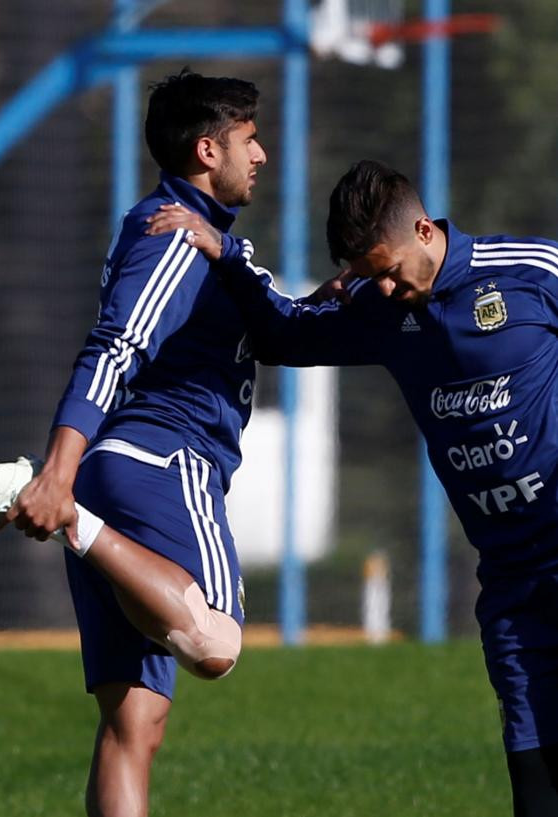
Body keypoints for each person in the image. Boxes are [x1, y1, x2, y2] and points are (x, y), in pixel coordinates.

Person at [150, 158, 558, 816]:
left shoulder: (532, 272)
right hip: (511, 580)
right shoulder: (378, 308)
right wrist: (226, 253)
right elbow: (280, 333)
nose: (387, 288)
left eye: (390, 269)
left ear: (424, 229)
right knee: (535, 774)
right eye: (370, 276)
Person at [0, 69, 266, 817]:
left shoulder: (180, 229)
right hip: (159, 461)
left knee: (133, 722)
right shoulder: (175, 239)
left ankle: (75, 514)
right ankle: (73, 520)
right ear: (206, 149)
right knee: (216, 643)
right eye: (249, 140)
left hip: (111, 471)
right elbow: (114, 346)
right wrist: (60, 479)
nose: (261, 155)